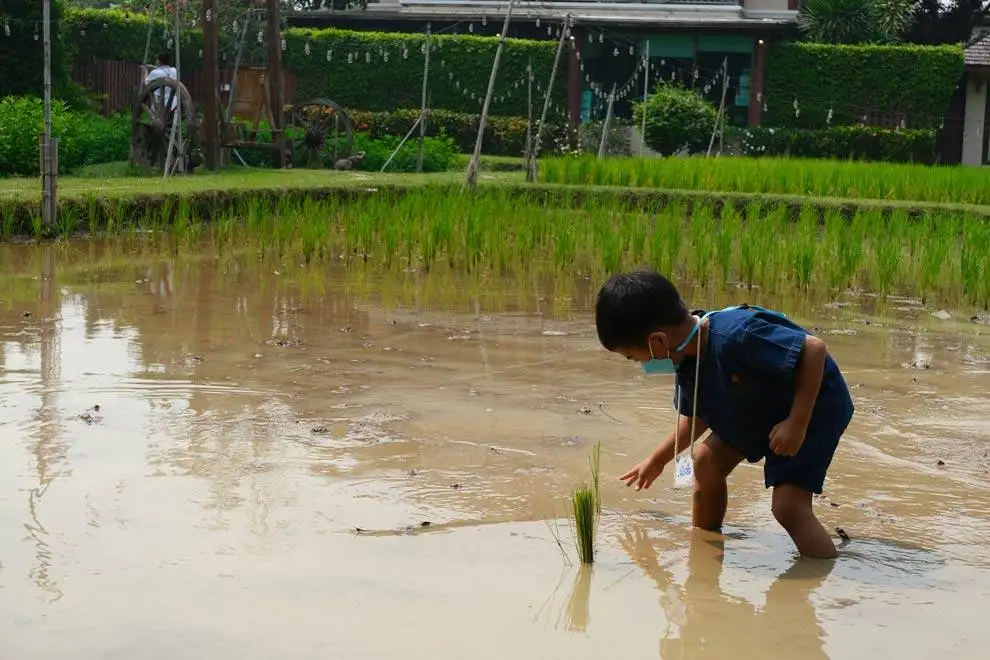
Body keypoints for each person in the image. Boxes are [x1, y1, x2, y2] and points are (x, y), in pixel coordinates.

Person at [594, 269, 854, 559]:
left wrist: (797, 421)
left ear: (658, 341)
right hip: (757, 402)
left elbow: (813, 350)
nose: (638, 364)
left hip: (813, 404)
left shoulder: (736, 335)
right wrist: (657, 461)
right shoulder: (686, 358)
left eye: (632, 357)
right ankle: (704, 546)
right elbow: (697, 416)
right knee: (704, 460)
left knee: (788, 508)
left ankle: (823, 573)